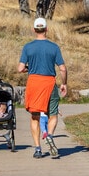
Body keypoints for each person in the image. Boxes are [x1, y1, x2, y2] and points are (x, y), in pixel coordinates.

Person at [17, 17, 67, 159]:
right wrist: (64, 84)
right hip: (49, 83)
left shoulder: (28, 47)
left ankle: (38, 149)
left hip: (34, 83)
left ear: (34, 30)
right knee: (53, 114)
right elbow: (62, 69)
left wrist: (29, 68)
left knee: (35, 117)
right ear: (46, 29)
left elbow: (20, 68)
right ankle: (49, 135)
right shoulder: (54, 47)